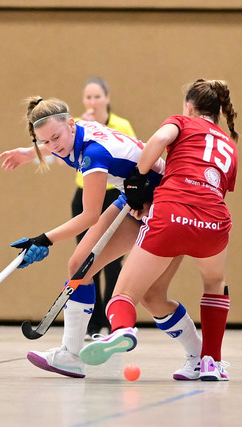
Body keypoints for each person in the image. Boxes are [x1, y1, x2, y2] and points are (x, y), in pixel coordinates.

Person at [0, 96, 204, 380]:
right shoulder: (71, 133)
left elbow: (90, 216)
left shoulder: (93, 154)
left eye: (55, 138)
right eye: (45, 141)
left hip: (167, 202)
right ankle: (70, 355)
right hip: (135, 197)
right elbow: (53, 143)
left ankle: (199, 357)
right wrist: (28, 152)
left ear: (71, 125)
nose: (53, 146)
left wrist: (43, 239)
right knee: (79, 265)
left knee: (153, 297)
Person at [79, 79, 239, 381]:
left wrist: (137, 178)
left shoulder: (181, 122)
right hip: (213, 224)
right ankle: (210, 361)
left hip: (171, 217)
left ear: (189, 107)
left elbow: (160, 139)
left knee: (124, 295)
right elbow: (215, 189)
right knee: (212, 283)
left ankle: (122, 330)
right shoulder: (229, 145)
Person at [73, 78, 136, 337]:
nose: (93, 102)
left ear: (107, 98)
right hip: (85, 196)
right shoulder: (78, 125)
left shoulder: (121, 125)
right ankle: (92, 320)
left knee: (111, 261)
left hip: (114, 195)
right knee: (85, 258)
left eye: (97, 97)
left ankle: (112, 319)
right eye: (88, 97)